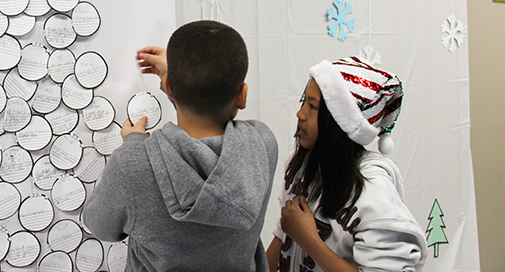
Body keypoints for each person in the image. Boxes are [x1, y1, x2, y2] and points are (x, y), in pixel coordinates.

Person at [82, 20, 278, 271]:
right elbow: (204, 121)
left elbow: (100, 225)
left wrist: (133, 144)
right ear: (242, 95)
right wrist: (175, 80)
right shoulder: (263, 143)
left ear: (169, 89)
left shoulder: (132, 164)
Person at [266, 56, 427, 272]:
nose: (300, 114)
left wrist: (310, 241)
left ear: (339, 121)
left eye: (313, 107)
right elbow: (285, 234)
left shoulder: (374, 192)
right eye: (304, 102)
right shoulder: (303, 166)